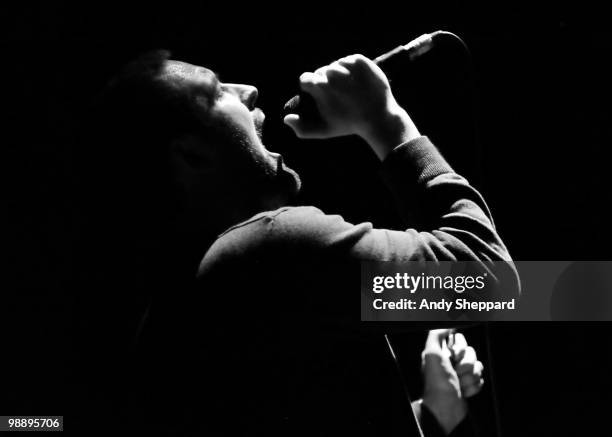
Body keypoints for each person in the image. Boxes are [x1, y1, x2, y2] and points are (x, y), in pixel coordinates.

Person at [77, 50, 518, 435]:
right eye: (216, 92)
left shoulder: (185, 293)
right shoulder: (272, 249)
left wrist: (433, 412)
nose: (248, 90)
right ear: (191, 156)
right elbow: (489, 283)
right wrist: (386, 121)